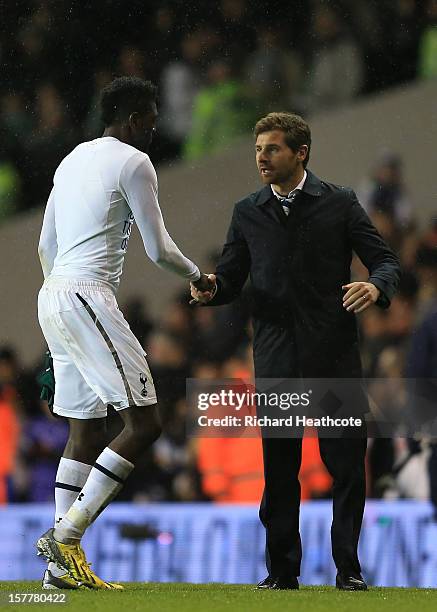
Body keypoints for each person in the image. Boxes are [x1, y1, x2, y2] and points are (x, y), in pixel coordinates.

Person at [191, 112, 400, 591]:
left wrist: (375, 287)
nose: (262, 157)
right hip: (277, 360)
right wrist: (211, 288)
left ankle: (348, 571)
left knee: (346, 468)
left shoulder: (340, 203)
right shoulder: (247, 211)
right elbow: (231, 277)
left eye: (272, 149)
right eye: (258, 149)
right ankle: (282, 574)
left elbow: (386, 260)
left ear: (300, 153)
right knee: (281, 472)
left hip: (333, 359)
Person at [36, 76, 212, 590]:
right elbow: (158, 249)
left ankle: (56, 574)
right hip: (88, 294)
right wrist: (198, 277)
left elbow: (45, 244)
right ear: (135, 120)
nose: (155, 132)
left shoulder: (71, 160)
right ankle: (66, 536)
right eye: (153, 122)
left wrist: (58, 325)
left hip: (55, 295)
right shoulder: (135, 162)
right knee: (145, 423)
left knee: (85, 430)